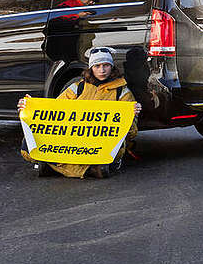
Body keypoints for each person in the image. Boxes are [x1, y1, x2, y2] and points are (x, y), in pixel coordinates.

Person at [18, 47, 141, 178]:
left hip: (100, 142)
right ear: (91, 68)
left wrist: (132, 115)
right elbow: (55, 112)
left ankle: (52, 166)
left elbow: (131, 133)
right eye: (97, 66)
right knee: (30, 142)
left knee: (111, 150)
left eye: (106, 65)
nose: (102, 70)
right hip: (75, 139)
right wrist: (31, 107)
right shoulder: (77, 87)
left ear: (112, 67)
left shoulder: (122, 92)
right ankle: (90, 170)